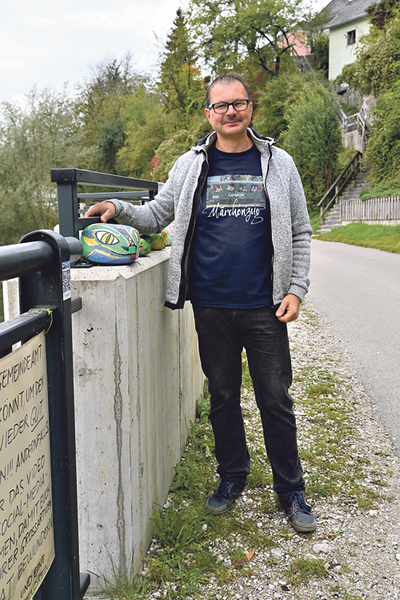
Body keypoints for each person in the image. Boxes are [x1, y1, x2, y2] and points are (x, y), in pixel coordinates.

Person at [85, 72, 316, 533]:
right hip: (210, 303)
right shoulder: (191, 165)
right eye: (221, 105)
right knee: (224, 397)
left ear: (251, 108)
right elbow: (157, 214)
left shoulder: (279, 163)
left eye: (240, 103)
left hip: (265, 305)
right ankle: (232, 477)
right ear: (209, 114)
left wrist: (296, 289)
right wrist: (118, 208)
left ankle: (291, 490)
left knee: (275, 398)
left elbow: (300, 231)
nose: (231, 111)